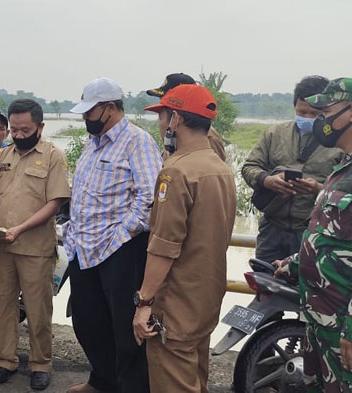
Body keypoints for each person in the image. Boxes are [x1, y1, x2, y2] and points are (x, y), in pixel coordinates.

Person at [133, 84, 236, 393]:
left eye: (162, 115)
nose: (160, 123)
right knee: (196, 380)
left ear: (175, 119)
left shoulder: (175, 171)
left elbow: (164, 247)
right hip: (206, 297)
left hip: (176, 303)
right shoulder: (220, 168)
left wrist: (144, 303)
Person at [63, 78, 162, 393]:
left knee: (125, 329)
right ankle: (102, 380)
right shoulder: (93, 143)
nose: (85, 119)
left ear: (109, 108)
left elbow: (148, 200)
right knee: (87, 320)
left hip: (121, 250)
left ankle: (130, 387)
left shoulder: (138, 141)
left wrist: (121, 235)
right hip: (85, 248)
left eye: (89, 112)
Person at [274, 78, 352, 392]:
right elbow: (329, 234)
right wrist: (292, 263)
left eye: (325, 111)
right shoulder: (345, 168)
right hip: (322, 323)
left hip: (351, 332)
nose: (319, 121)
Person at [0, 99, 71, 391]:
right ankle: (5, 360)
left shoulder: (53, 156)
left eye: (25, 129)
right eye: (15, 129)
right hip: (2, 246)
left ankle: (40, 364)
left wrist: (22, 228)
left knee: (38, 309)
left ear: (40, 126)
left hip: (35, 248)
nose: (19, 134)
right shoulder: (2, 156)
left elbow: (55, 202)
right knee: (2, 305)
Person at [242, 75, 343, 263]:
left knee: (305, 287)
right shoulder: (274, 133)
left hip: (313, 231)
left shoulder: (340, 142)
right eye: (301, 112)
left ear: (327, 110)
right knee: (265, 283)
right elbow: (250, 166)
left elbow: (347, 190)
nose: (307, 118)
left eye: (314, 114)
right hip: (272, 228)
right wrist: (267, 180)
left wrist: (319, 189)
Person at [147, 72, 227, 161]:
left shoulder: (207, 137)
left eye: (167, 97)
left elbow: (212, 171)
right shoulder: (173, 133)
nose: (163, 102)